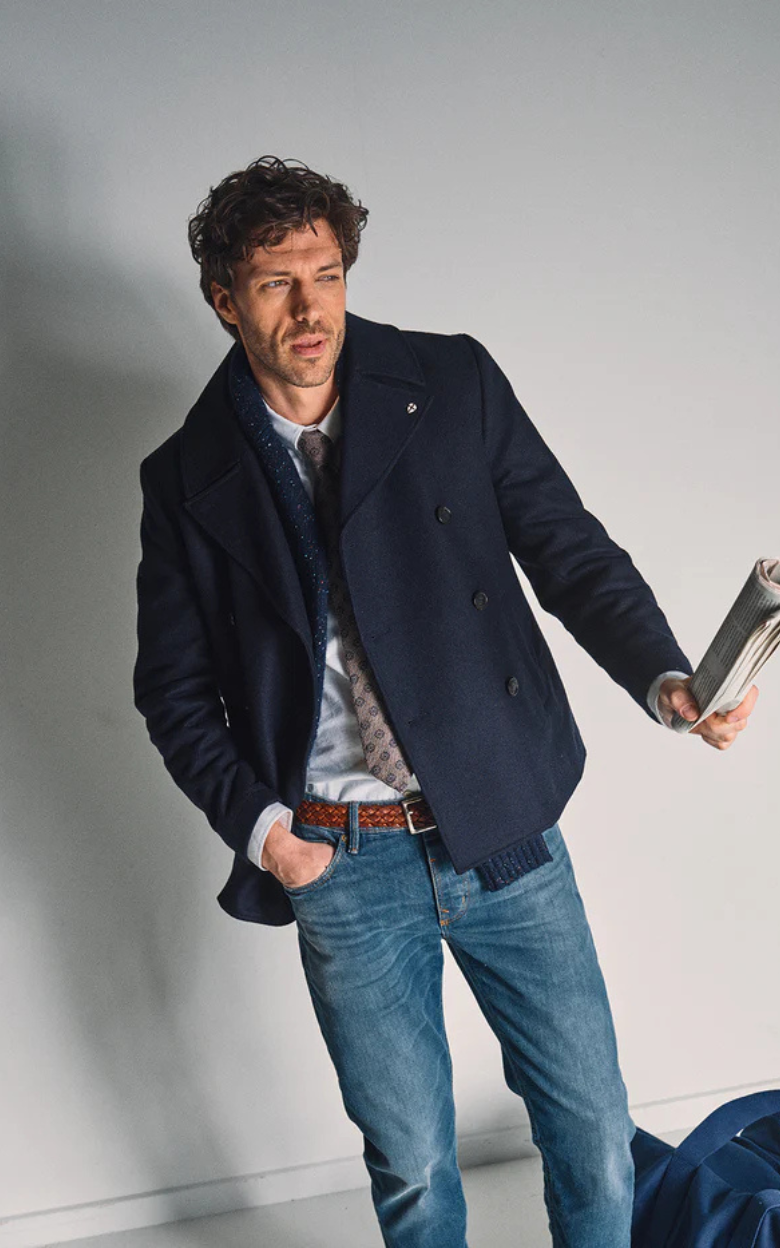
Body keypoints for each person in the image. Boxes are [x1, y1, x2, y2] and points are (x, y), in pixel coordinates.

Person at [133, 155, 759, 1248]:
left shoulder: (450, 381)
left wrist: (667, 681)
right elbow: (173, 690)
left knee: (593, 1131)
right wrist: (271, 836)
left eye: (327, 275)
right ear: (225, 300)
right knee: (413, 1166)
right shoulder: (187, 476)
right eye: (277, 283)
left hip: (502, 818)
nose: (311, 309)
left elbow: (568, 549)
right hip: (339, 855)